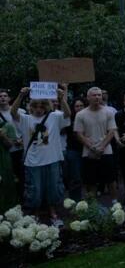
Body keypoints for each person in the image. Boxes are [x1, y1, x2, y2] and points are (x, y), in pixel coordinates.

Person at [11, 86, 70, 226]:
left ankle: (53, 212)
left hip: (52, 159)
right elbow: (13, 113)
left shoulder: (54, 117)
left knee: (53, 188)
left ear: (46, 106)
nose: (39, 109)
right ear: (31, 106)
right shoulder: (26, 119)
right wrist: (20, 96)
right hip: (33, 162)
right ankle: (36, 213)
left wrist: (62, 99)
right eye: (36, 106)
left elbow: (67, 114)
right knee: (35, 190)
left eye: (42, 105)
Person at [74, 87, 119, 202]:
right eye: (94, 95)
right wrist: (92, 147)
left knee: (111, 179)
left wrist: (102, 147)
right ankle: (93, 207)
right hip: (88, 152)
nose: (97, 97)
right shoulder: (80, 114)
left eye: (99, 95)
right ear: (88, 97)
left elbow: (111, 131)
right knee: (91, 181)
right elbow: (79, 134)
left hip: (106, 150)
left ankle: (115, 204)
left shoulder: (108, 112)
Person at [1, 89, 25, 199]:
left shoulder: (20, 111)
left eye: (5, 96)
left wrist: (23, 139)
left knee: (22, 175)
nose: (2, 98)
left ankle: (22, 199)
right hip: (4, 151)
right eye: (0, 96)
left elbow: (28, 127)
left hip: (20, 148)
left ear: (9, 98)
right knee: (8, 177)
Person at [62, 98, 86, 201]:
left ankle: (89, 200)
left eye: (81, 106)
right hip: (73, 151)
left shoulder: (88, 117)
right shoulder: (70, 119)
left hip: (88, 150)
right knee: (75, 177)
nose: (79, 108)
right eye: (77, 106)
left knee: (87, 176)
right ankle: (75, 202)